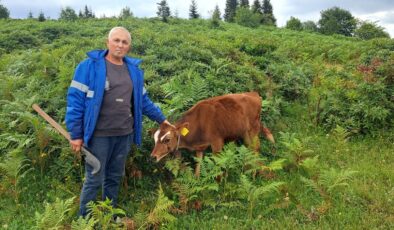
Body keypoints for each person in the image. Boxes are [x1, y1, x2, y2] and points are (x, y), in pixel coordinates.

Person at [65, 26, 170, 217]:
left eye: (124, 42)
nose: (120, 45)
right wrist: (76, 134)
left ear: (129, 47)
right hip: (98, 136)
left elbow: (143, 101)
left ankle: (109, 215)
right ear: (107, 42)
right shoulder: (88, 67)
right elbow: (75, 102)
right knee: (94, 178)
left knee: (114, 177)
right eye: (116, 40)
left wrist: (162, 119)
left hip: (124, 135)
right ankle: (85, 220)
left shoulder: (134, 71)